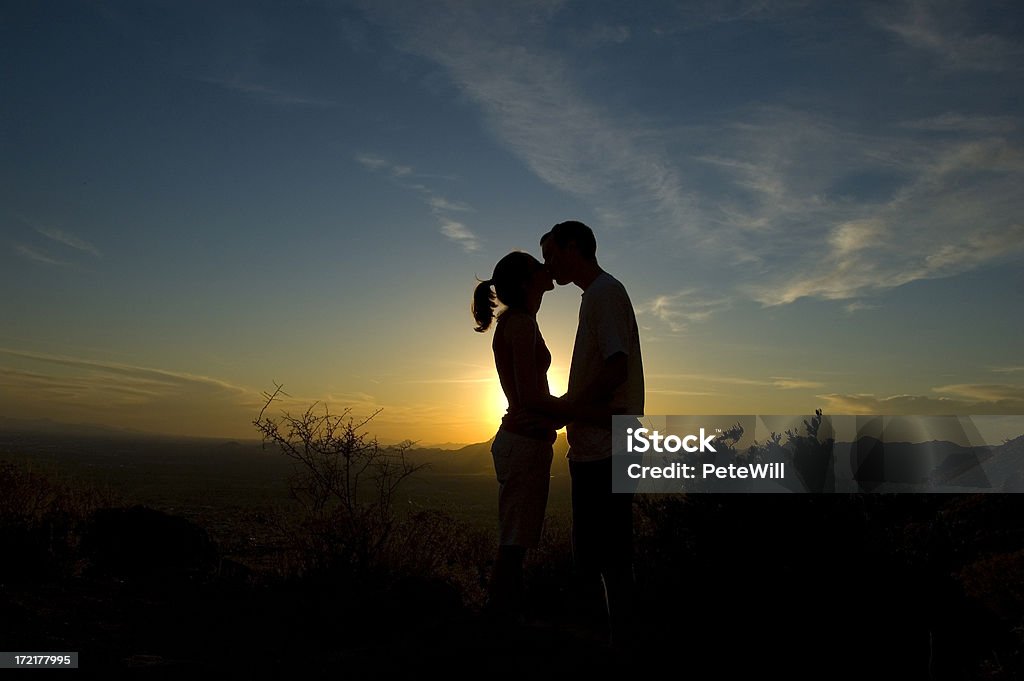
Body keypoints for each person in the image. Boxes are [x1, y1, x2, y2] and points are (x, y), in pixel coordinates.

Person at [540, 220, 644, 648]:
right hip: (602, 443)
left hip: (607, 447)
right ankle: (617, 641)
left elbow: (616, 366)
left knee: (606, 558)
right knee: (607, 555)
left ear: (574, 246)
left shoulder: (603, 294)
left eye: (551, 254)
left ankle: (615, 646)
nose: (548, 264)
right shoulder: (598, 295)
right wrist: (571, 406)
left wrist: (569, 407)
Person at [472, 251, 570, 621]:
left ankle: (505, 618)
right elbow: (528, 396)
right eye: (538, 265)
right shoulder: (522, 325)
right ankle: (501, 621)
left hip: (523, 439)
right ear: (529, 281)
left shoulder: (517, 321)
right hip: (524, 442)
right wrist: (571, 409)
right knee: (513, 542)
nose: (547, 268)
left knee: (516, 538)